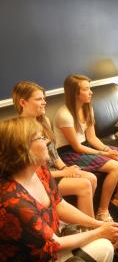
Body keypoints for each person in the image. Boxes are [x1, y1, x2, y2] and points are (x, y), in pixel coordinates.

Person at [0, 117, 118, 262]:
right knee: (103, 246)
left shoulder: (40, 169)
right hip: (37, 254)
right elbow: (53, 243)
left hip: (53, 235)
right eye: (41, 138)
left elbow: (59, 204)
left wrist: (98, 224)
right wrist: (100, 233)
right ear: (23, 149)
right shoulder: (12, 200)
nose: (47, 141)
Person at [12, 81, 97, 217]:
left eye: (44, 98)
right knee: (84, 185)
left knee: (91, 178)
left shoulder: (44, 120)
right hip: (38, 178)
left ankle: (80, 221)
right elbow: (30, 170)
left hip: (54, 171)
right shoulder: (19, 131)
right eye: (39, 99)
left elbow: (53, 153)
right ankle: (90, 228)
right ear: (23, 102)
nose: (44, 102)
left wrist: (65, 168)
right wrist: (63, 173)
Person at [54, 74, 118, 222]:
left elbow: (92, 138)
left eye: (90, 88)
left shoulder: (87, 108)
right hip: (68, 151)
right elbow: (76, 147)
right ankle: (102, 211)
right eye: (86, 89)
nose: (91, 92)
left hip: (85, 145)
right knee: (115, 166)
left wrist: (107, 150)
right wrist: (105, 154)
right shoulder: (64, 114)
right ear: (75, 93)